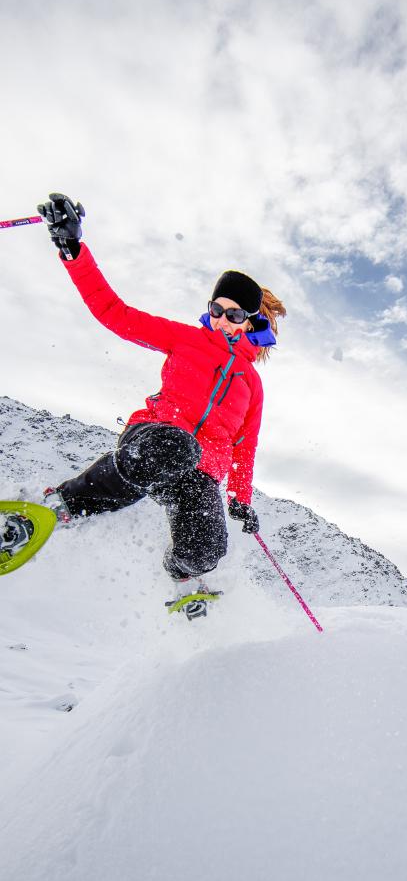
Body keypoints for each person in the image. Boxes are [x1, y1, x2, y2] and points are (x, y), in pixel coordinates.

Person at [32, 192, 286, 615]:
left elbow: (246, 446)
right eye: (217, 309)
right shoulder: (187, 339)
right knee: (176, 446)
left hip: (198, 470)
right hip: (155, 436)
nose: (223, 321)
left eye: (235, 315)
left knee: (209, 547)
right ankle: (66, 502)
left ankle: (185, 574)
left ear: (250, 323)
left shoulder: (252, 384)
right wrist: (73, 251)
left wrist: (241, 499)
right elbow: (113, 312)